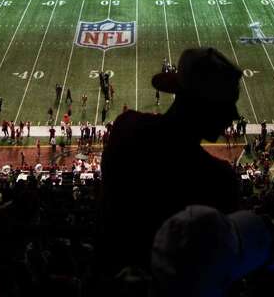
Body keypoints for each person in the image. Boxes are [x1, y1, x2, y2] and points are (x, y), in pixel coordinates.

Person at [101, 47, 244, 275]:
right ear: (203, 105)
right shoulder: (218, 180)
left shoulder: (126, 127)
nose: (232, 115)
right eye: (226, 104)